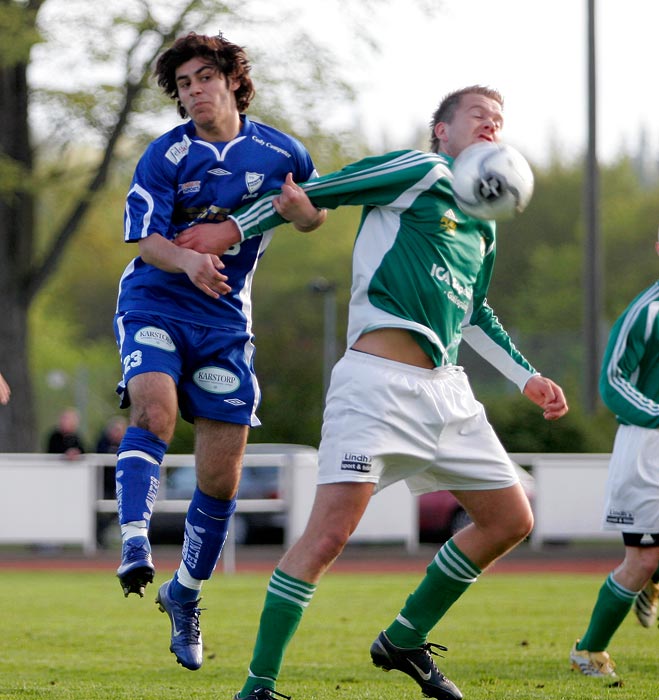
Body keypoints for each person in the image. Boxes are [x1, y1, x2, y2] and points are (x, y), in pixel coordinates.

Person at [177, 85, 569, 700]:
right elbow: (311, 195)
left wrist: (528, 377)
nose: (492, 126)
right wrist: (231, 228)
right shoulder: (418, 169)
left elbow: (473, 314)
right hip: (376, 389)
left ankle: (404, 640)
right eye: (477, 116)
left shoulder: (485, 228)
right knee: (327, 537)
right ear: (441, 130)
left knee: (510, 518)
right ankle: (258, 686)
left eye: (500, 120)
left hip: (449, 393)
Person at [112, 30, 325, 673]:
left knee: (219, 476)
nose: (194, 91)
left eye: (204, 77)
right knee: (155, 412)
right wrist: (189, 260)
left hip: (226, 324)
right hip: (155, 300)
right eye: (183, 84)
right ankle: (132, 543)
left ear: (232, 79)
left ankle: (187, 594)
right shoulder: (164, 154)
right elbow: (147, 241)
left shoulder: (280, 150)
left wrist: (303, 212)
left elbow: (313, 215)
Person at [569, 232, 659, 680]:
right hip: (648, 450)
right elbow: (612, 380)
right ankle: (589, 651)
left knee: (652, 562)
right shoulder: (646, 312)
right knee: (641, 560)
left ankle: (653, 581)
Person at [96, 416, 128, 499]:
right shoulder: (102, 443)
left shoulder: (128, 445)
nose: (117, 433)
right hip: (105, 483)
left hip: (123, 481)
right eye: (115, 430)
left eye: (120, 430)